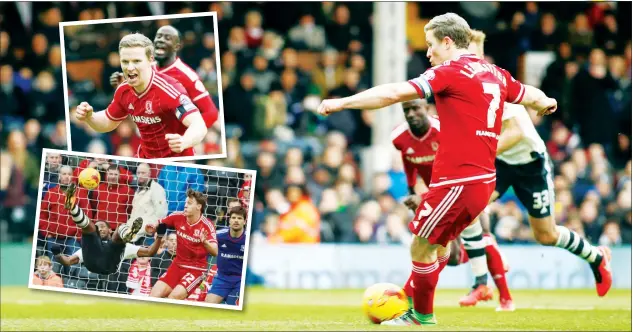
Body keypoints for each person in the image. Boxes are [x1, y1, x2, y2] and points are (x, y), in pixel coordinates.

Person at [318, 13, 559, 326]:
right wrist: (546, 102)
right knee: (438, 245)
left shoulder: (450, 72)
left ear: (448, 42)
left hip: (459, 180)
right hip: (482, 179)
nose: (428, 53)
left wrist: (341, 103)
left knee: (420, 245)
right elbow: (531, 94)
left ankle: (420, 317)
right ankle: (423, 303)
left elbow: (392, 94)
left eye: (431, 45)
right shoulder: (496, 73)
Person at [455, 29, 612, 307]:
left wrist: (480, 149)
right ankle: (481, 283)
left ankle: (596, 257)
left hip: (530, 164)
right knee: (469, 207)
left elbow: (515, 131)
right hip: (502, 163)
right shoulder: (463, 90)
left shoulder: (492, 83)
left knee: (546, 235)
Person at [391, 98, 512, 311]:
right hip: (437, 194)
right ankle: (486, 260)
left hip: (464, 185)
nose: (411, 114)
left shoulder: (444, 130)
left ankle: (503, 297)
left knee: (480, 230)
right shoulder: (399, 137)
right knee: (453, 257)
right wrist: (411, 191)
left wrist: (425, 195)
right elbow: (409, 161)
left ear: (427, 108)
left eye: (415, 108)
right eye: (406, 110)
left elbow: (462, 161)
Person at [75, 33, 207, 159]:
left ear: (151, 60)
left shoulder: (169, 90)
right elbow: (108, 122)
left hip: (176, 163)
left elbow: (199, 125)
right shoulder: (124, 91)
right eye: (125, 62)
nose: (130, 67)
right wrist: (90, 117)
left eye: (136, 61)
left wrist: (184, 141)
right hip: (146, 162)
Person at [110, 25, 219, 129]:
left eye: (167, 38)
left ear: (177, 46)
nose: (161, 40)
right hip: (148, 132)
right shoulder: (146, 68)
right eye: (158, 36)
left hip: (173, 141)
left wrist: (187, 134)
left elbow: (211, 113)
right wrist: (124, 83)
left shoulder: (187, 76)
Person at [52, 183, 161, 275]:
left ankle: (127, 233)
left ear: (109, 230)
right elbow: (67, 261)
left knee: (118, 234)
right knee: (89, 228)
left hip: (110, 264)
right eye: (98, 227)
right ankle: (72, 206)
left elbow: (150, 252)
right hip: (92, 260)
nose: (100, 229)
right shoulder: (87, 248)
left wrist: (160, 236)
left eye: (103, 226)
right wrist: (58, 255)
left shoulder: (125, 247)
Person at [149, 189, 218, 300]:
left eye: (189, 203)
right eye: (185, 203)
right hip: (177, 265)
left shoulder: (207, 226)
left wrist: (205, 242)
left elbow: (215, 251)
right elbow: (160, 223)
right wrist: (153, 227)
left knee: (173, 298)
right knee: (154, 295)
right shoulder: (178, 217)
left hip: (196, 270)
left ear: (199, 207)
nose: (185, 206)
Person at [205, 206, 247, 305]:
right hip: (222, 278)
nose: (236, 221)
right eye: (233, 218)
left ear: (244, 222)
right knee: (208, 304)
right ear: (229, 220)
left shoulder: (247, 238)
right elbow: (205, 250)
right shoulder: (219, 235)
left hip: (240, 280)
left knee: (233, 306)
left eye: (240, 218)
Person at [128, 162, 168, 242]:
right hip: (134, 235)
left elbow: (162, 213)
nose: (140, 175)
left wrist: (152, 228)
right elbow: (134, 212)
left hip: (148, 236)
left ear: (149, 173)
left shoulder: (156, 189)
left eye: (143, 173)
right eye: (138, 173)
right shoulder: (138, 190)